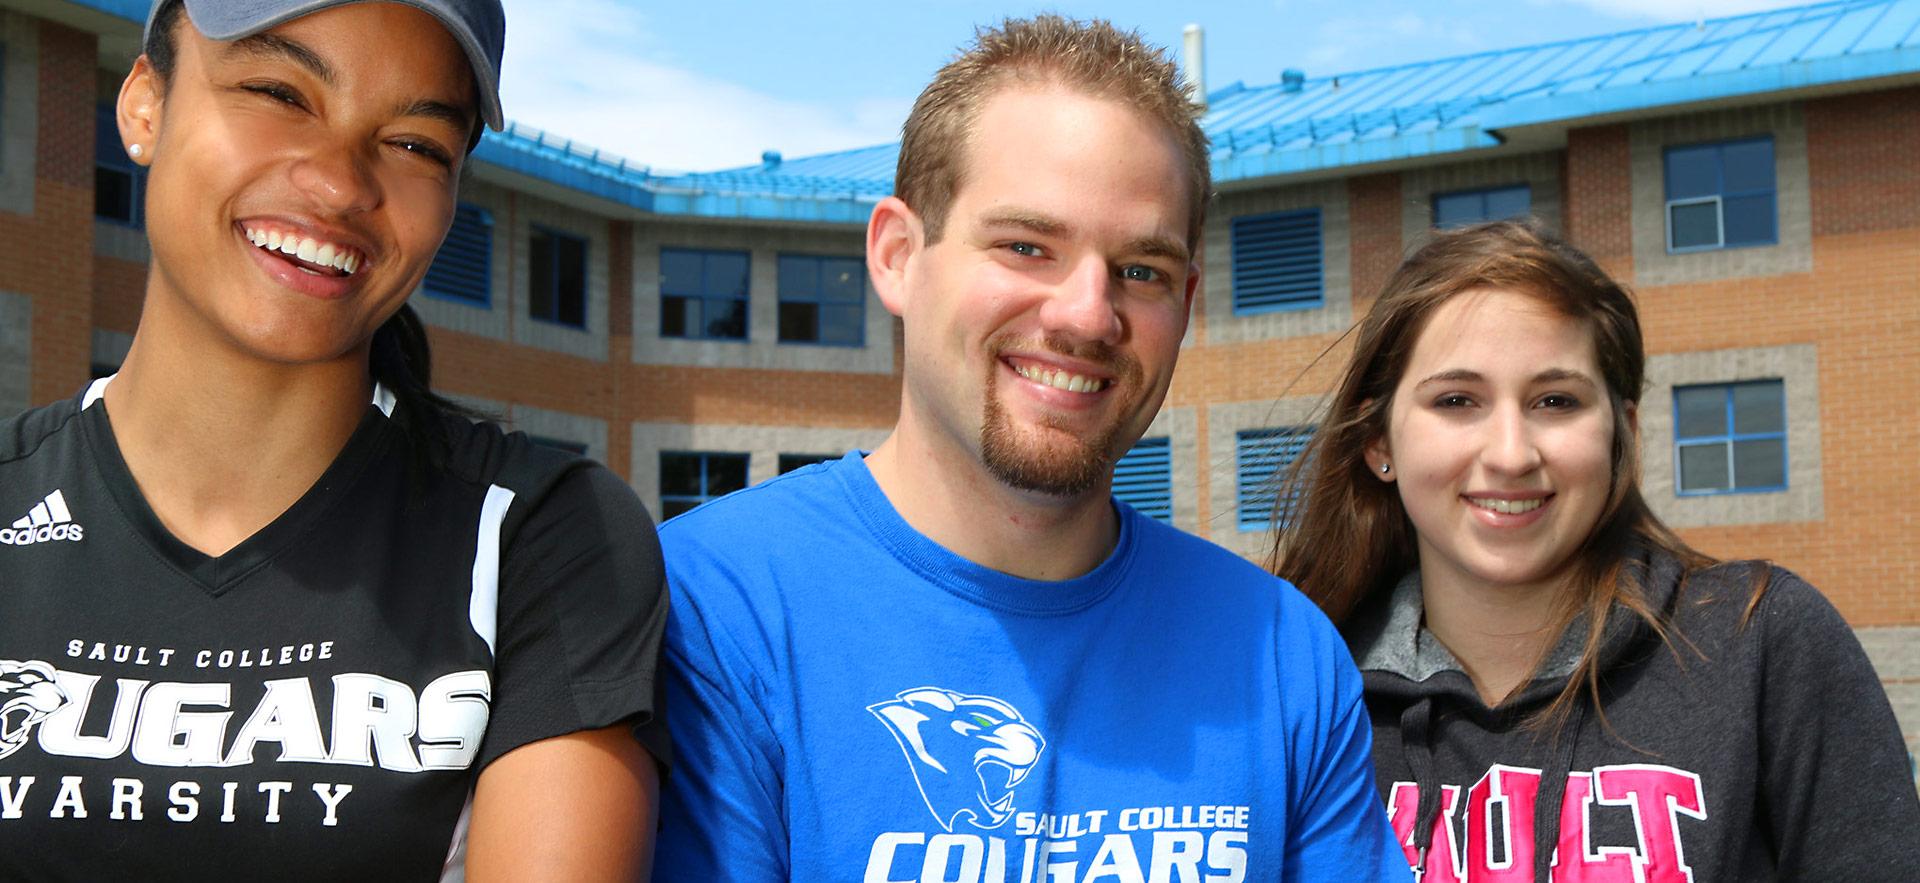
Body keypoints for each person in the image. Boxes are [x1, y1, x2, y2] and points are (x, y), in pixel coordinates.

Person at [654, 15, 1406, 882]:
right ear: (898, 255)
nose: (1087, 314)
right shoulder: (711, 607)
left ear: (1188, 301)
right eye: (1025, 246)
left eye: (1142, 270)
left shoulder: (1280, 656)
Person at [0, 0, 667, 878]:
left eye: (416, 144)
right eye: (280, 92)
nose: (341, 184)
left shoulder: (536, 535)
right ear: (144, 105)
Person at [1270, 220, 1920, 880]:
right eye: (1457, 400)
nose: (1511, 453)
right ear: (1380, 442)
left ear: (1620, 434)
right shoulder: (1303, 687)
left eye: (1556, 400)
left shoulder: (1761, 642)